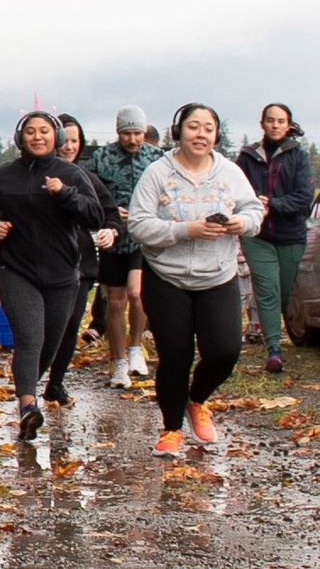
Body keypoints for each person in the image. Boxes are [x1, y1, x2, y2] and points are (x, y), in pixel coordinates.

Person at [128, 103, 263, 457]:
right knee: (175, 355)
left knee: (225, 350)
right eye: (193, 127)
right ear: (179, 131)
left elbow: (254, 210)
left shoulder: (230, 172)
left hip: (218, 274)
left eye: (208, 128)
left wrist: (242, 224)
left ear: (216, 134)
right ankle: (171, 429)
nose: (201, 134)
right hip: (166, 277)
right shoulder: (158, 173)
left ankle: (197, 400)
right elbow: (138, 225)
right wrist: (185, 230)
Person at [0, 112, 102, 441]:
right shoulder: (4, 175)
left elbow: (95, 215)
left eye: (44, 131)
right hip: (16, 270)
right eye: (30, 131)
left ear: (55, 136)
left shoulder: (71, 174)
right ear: (20, 137)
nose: (37, 137)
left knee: (50, 344)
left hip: (62, 275)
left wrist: (64, 193)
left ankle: (28, 386)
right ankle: (28, 406)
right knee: (30, 338)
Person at [42, 115, 123, 407]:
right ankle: (29, 382)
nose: (69, 146)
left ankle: (56, 382)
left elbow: (110, 213)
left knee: (70, 323)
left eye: (75, 141)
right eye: (65, 139)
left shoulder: (86, 179)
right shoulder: (30, 175)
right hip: (39, 263)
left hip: (80, 265)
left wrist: (110, 231)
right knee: (44, 326)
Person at [85, 105, 163, 388]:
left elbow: (168, 193)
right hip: (115, 238)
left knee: (137, 293)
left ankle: (135, 347)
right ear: (118, 132)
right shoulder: (102, 158)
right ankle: (118, 361)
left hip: (145, 238)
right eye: (127, 133)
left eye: (137, 133)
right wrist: (112, 211)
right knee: (115, 301)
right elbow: (89, 195)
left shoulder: (157, 158)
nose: (132, 139)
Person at [236, 103, 314, 373]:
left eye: (281, 121)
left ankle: (274, 334)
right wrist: (255, 208)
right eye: (271, 120)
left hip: (291, 235)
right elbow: (234, 189)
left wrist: (274, 205)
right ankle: (274, 351)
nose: (275, 125)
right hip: (257, 235)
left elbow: (304, 197)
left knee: (281, 294)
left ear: (288, 125)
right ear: (262, 123)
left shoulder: (298, 156)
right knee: (267, 290)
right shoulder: (247, 156)